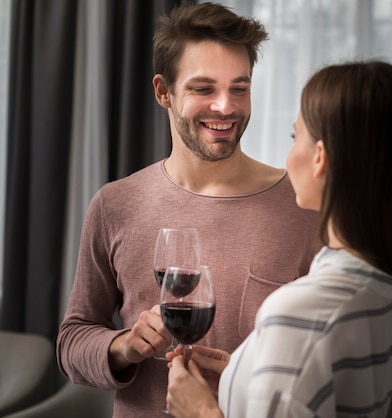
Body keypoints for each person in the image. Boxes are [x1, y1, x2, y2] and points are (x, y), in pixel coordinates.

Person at [56, 3, 320, 417]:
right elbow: (72, 342)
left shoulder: (303, 207)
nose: (225, 107)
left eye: (239, 88)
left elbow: (331, 361)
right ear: (164, 91)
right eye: (203, 88)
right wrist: (123, 345)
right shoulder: (115, 203)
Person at [165, 61, 392, 417]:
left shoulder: (302, 314)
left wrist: (199, 412)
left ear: (320, 158)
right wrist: (247, 376)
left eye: (294, 136)